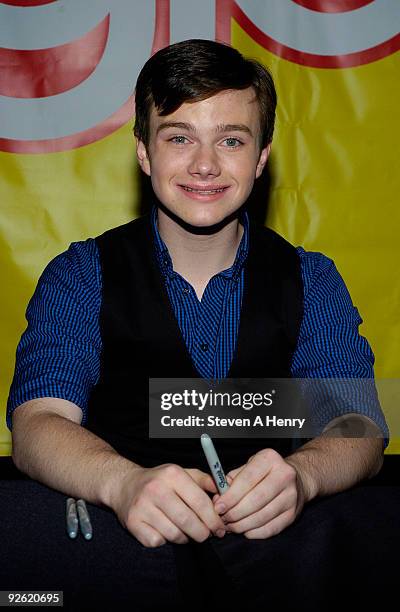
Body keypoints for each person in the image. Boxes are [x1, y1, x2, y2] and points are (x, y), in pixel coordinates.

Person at [5, 39, 390, 607]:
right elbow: (37, 422)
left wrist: (304, 477)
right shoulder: (81, 275)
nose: (205, 164)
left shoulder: (311, 279)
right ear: (144, 153)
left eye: (231, 140)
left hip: (273, 554)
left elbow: (359, 424)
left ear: (260, 158)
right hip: (119, 545)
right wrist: (121, 482)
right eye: (179, 137)